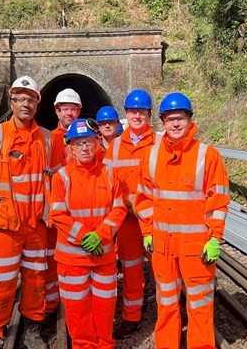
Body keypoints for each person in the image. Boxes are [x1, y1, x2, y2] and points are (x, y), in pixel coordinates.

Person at [0, 76, 59, 349]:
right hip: (7, 225)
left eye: (31, 99)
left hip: (36, 225)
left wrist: (51, 208)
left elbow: (59, 176)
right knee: (3, 283)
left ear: (37, 104)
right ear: (12, 102)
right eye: (20, 98)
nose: (26, 103)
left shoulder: (48, 139)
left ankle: (31, 328)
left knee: (36, 280)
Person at [135, 92, 230, 349]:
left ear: (190, 120)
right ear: (162, 122)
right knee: (166, 304)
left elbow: (218, 202)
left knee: (199, 305)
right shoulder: (151, 156)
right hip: (163, 247)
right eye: (170, 119)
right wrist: (147, 231)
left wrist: (214, 238)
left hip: (195, 247)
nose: (175, 124)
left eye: (180, 118)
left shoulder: (207, 156)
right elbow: (143, 199)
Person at [49, 119, 127, 348]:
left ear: (97, 145)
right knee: (77, 310)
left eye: (89, 142)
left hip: (102, 256)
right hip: (72, 260)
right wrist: (84, 236)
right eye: (79, 143)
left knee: (105, 308)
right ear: (70, 147)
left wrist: (101, 235)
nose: (84, 148)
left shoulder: (110, 174)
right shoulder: (61, 177)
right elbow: (58, 215)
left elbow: (119, 208)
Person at [102, 89, 159, 338]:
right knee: (132, 268)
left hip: (155, 219)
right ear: (126, 113)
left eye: (142, 112)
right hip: (126, 221)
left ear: (149, 115)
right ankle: (132, 316)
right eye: (133, 111)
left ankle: (168, 315)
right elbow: (105, 184)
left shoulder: (160, 143)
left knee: (163, 268)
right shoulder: (114, 147)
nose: (137, 115)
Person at [45, 87, 82, 316]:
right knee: (51, 260)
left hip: (82, 211)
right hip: (57, 210)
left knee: (77, 259)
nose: (69, 112)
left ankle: (75, 303)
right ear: (57, 110)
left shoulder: (89, 139)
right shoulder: (48, 139)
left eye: (73, 108)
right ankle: (50, 306)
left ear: (79, 111)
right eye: (64, 108)